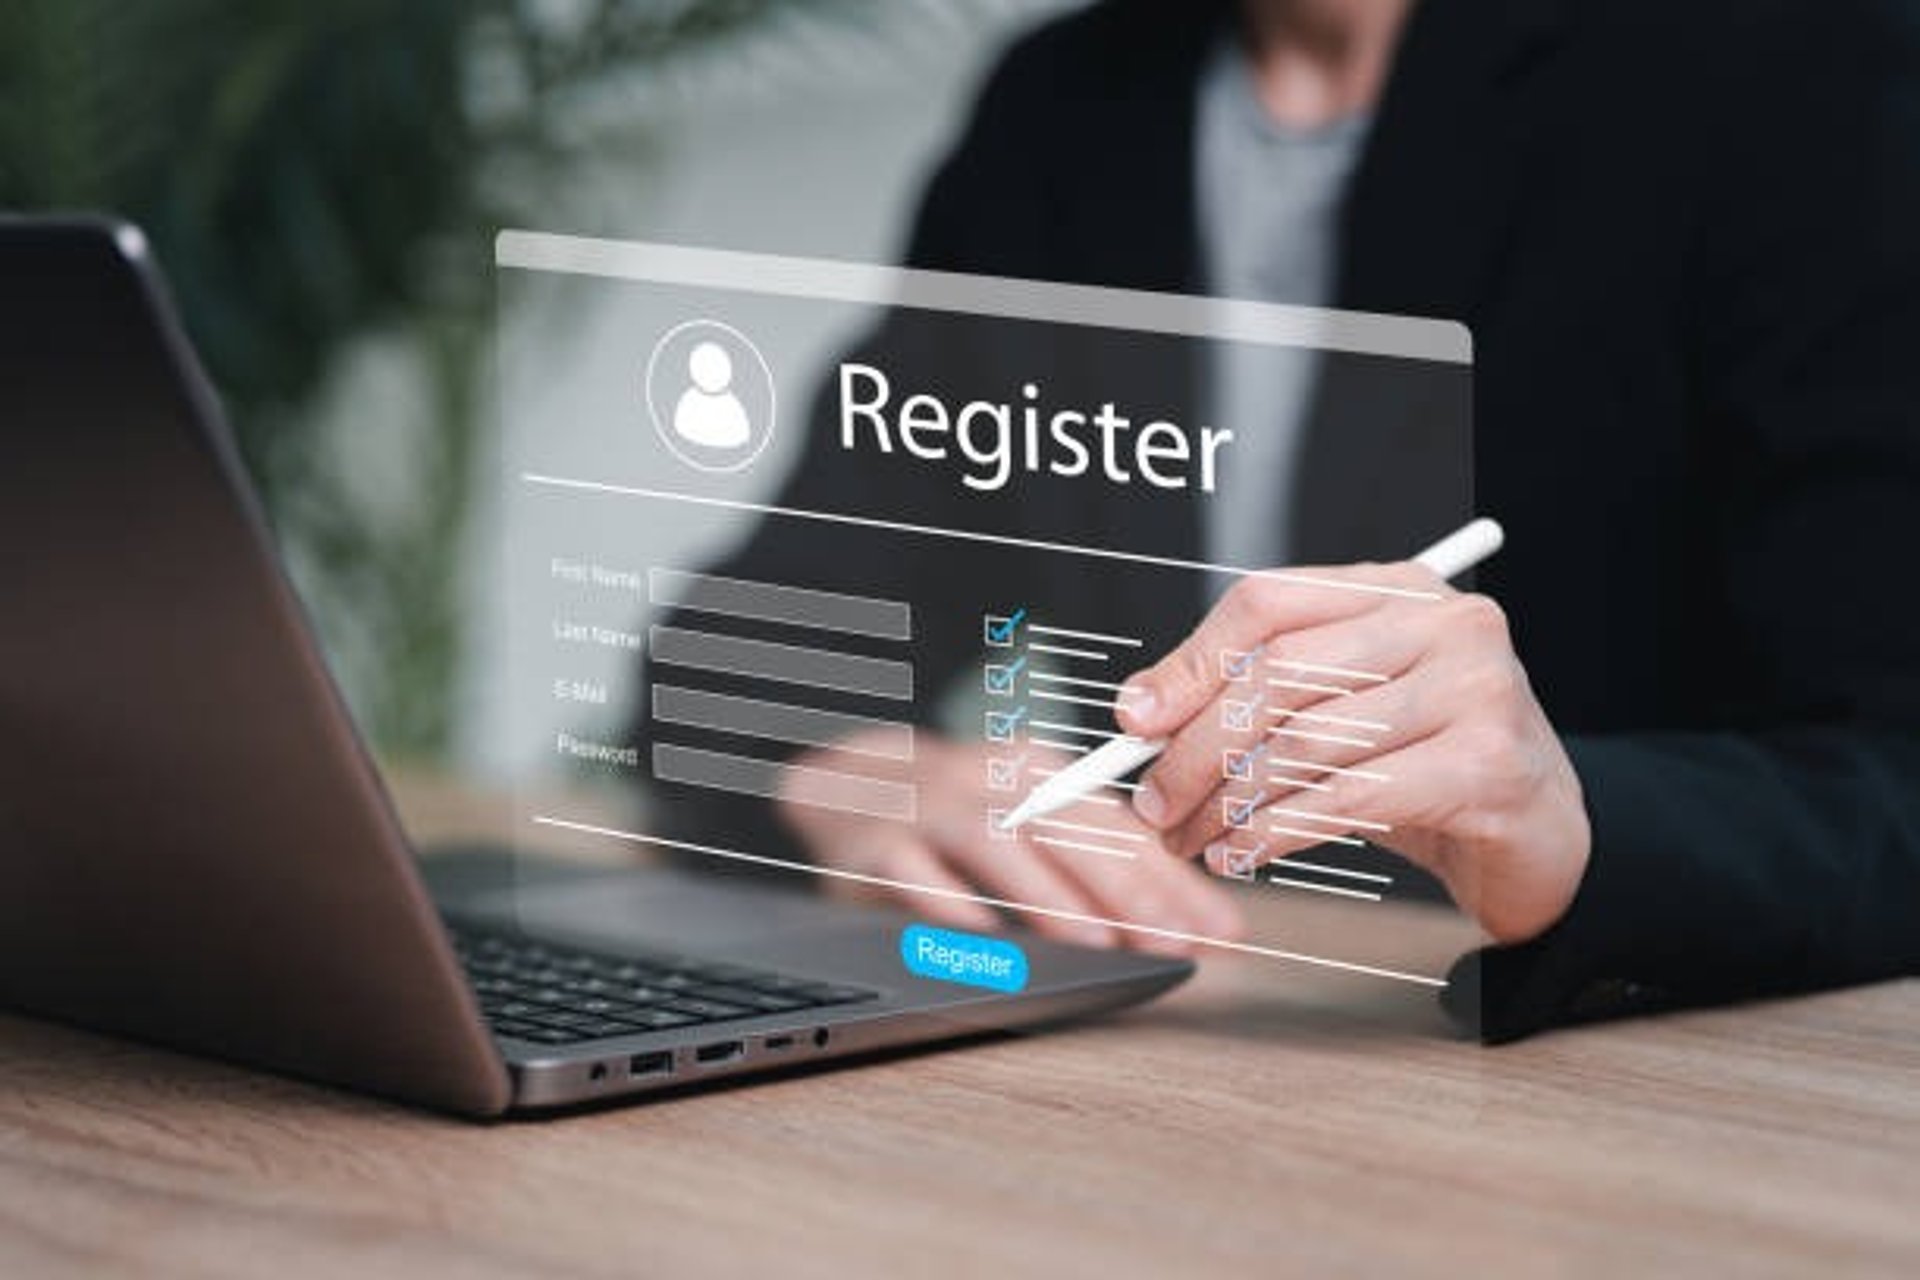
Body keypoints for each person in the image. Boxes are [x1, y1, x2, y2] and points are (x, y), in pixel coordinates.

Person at [658, 0, 1920, 1040]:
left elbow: (1890, 772)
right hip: (1159, 1055)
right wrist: (859, 774)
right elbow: (725, 653)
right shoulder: (1066, 110)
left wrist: (1579, 818)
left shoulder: (1795, 66)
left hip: (1607, 1103)